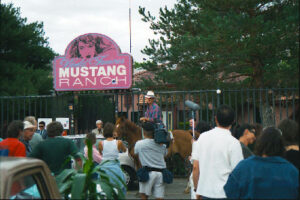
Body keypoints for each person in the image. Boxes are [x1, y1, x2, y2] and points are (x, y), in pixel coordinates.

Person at [224, 127, 299, 199]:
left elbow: (229, 191)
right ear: (281, 146)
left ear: (260, 144)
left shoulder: (244, 167)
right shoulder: (292, 172)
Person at [192, 105, 243, 199]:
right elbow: (238, 173)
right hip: (225, 193)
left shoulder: (202, 137)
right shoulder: (234, 143)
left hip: (205, 192)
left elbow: (195, 167)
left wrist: (197, 189)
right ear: (233, 121)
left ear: (216, 119)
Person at [134, 122, 168, 200]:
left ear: (144, 132)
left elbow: (135, 153)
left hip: (147, 173)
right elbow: (165, 154)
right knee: (159, 197)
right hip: (160, 173)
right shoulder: (162, 145)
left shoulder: (139, 144)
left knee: (144, 196)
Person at [98, 122, 127, 195]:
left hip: (104, 169)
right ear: (113, 132)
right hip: (115, 169)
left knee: (104, 191)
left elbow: (101, 153)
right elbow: (125, 150)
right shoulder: (119, 142)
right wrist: (116, 138)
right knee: (119, 190)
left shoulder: (101, 143)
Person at [188, 120, 212, 199]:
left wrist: (196, 188)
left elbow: (195, 166)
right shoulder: (213, 143)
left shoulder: (197, 144)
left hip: (199, 178)